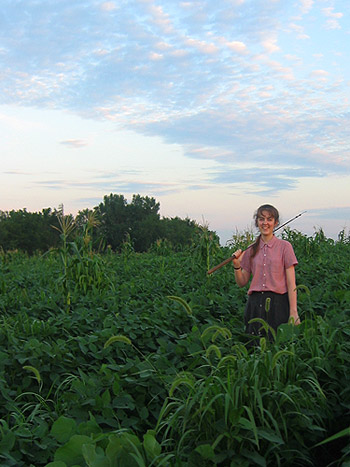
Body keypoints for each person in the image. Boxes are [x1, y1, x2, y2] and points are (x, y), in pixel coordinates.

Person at [232, 204, 300, 340]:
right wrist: (237, 266)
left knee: (276, 345)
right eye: (261, 219)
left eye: (269, 219)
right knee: (254, 347)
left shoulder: (285, 247)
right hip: (255, 304)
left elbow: (291, 284)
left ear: (275, 223)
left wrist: (293, 311)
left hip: (278, 304)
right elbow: (242, 282)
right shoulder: (251, 250)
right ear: (257, 222)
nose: (265, 223)